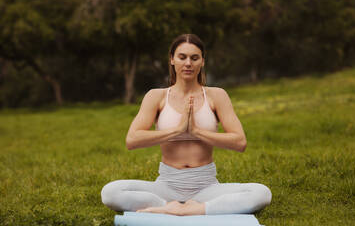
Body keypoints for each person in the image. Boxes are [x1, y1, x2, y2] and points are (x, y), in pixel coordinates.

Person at [101, 34, 272, 216]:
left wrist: (197, 131)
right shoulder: (156, 96)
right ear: (172, 60)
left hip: (206, 187)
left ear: (202, 62)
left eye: (194, 58)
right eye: (182, 57)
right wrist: (177, 129)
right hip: (167, 186)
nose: (188, 63)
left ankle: (194, 208)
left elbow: (239, 142)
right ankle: (168, 206)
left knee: (261, 193)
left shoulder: (217, 95)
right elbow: (132, 140)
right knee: (110, 193)